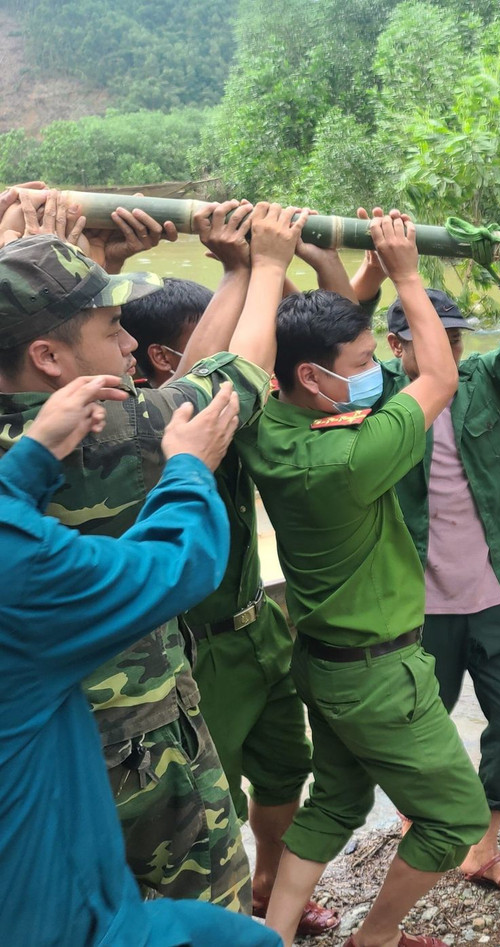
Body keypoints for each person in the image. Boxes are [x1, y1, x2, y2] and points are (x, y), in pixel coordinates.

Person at [0, 196, 276, 910]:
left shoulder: (40, 435)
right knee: (207, 907)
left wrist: (67, 265)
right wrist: (266, 264)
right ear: (49, 356)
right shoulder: (117, 429)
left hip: (33, 766)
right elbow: (228, 378)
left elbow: (181, 371)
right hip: (137, 748)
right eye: (113, 327)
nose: (129, 348)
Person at [240, 209, 490, 947]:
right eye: (360, 361)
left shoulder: (268, 424)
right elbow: (439, 374)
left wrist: (312, 268)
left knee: (337, 802)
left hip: (321, 664)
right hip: (381, 676)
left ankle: (276, 935)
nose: (374, 370)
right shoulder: (350, 456)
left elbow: (271, 350)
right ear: (313, 376)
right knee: (455, 817)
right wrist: (408, 273)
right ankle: (373, 938)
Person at [119, 202, 339, 936]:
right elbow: (211, 376)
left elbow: (310, 351)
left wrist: (244, 271)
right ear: (159, 363)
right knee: (212, 801)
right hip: (199, 647)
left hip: (257, 618)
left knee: (285, 768)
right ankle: (229, 900)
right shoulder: (155, 431)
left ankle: (270, 883)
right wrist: (256, 267)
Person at [375, 214, 500, 897]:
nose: (450, 351)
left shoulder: (483, 383)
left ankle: (483, 849)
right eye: (433, 338)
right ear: (393, 342)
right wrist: (381, 265)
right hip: (416, 606)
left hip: (499, 593)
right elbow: (317, 345)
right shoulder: (375, 397)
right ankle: (420, 826)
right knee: (414, 732)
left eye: (456, 338)